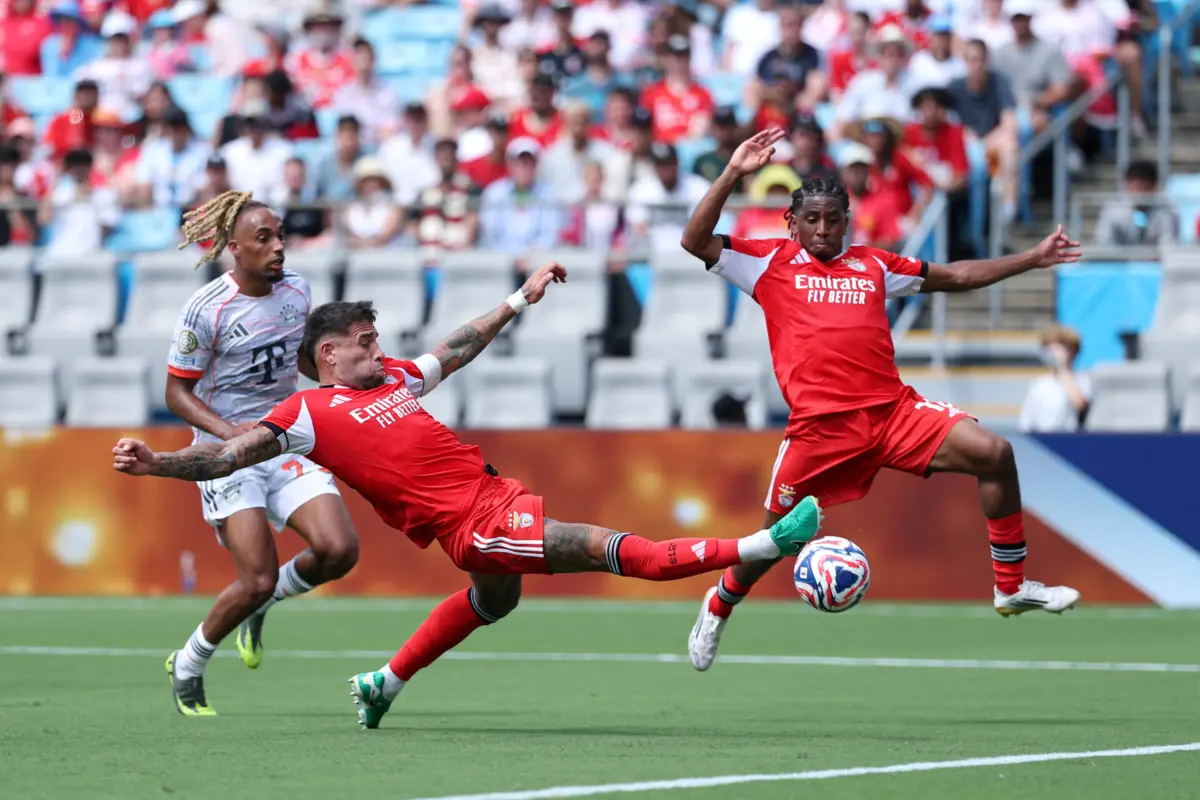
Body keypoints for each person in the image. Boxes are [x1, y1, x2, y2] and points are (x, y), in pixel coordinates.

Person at [112, 270, 825, 730]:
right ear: (329, 354)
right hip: (476, 526)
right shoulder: (305, 415)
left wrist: (520, 298)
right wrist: (158, 464)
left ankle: (382, 685)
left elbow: (457, 347)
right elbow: (231, 455)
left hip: (492, 494)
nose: (377, 346)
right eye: (363, 341)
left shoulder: (390, 377)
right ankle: (764, 545)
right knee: (606, 546)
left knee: (495, 603)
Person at [679, 129, 1084, 672]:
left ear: (847, 219)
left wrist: (1031, 258)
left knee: (995, 454)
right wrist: (732, 173)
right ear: (791, 222)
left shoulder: (875, 265)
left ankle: (1010, 587)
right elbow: (693, 241)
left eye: (833, 218)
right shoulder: (766, 263)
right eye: (812, 220)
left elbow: (958, 275)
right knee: (771, 540)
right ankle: (720, 603)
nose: (823, 229)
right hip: (819, 432)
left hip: (893, 414)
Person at [155, 190, 360, 716]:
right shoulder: (206, 309)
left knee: (340, 550)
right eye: (263, 238)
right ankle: (189, 662)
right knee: (258, 577)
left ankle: (262, 607)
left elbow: (298, 357)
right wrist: (229, 435)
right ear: (234, 247)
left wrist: (343, 386)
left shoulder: (297, 290)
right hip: (225, 450)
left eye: (280, 236)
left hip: (285, 439)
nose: (278, 248)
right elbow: (176, 393)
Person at [1019, 324, 1092, 433]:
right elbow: (1026, 420)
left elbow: (1081, 405)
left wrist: (1064, 371)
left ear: (1074, 351)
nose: (1053, 353)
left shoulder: (1083, 379)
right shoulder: (1038, 384)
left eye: (1059, 348)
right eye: (1049, 349)